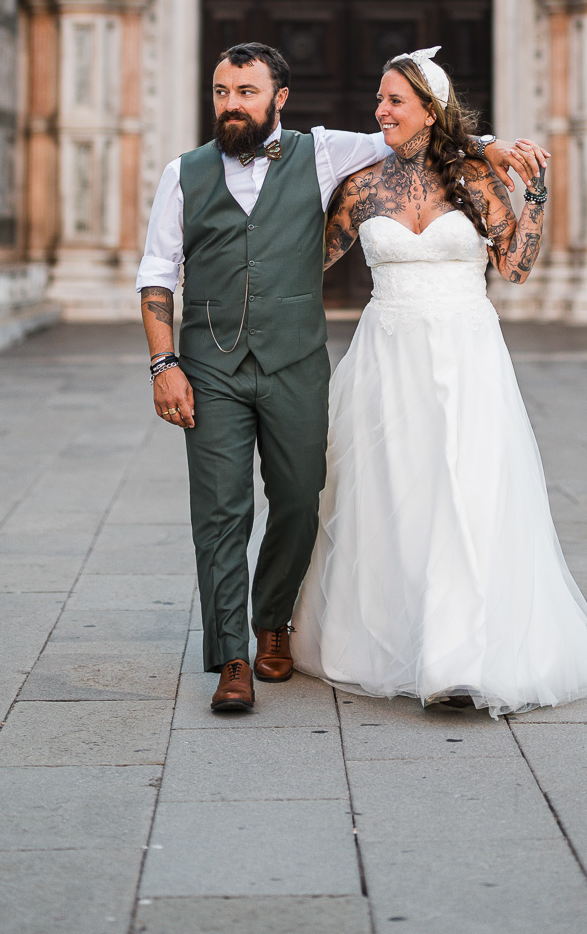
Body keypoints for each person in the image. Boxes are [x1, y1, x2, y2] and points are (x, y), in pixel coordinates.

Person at [136, 41, 543, 714]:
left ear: (279, 99)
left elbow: (413, 135)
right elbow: (156, 271)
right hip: (210, 363)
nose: (231, 103)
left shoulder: (325, 153)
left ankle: (275, 621)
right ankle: (232, 656)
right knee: (220, 510)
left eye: (245, 91)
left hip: (301, 361)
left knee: (300, 499)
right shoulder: (183, 174)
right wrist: (163, 363)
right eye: (221, 91)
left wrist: (489, 149)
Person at [291, 47, 587, 716]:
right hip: (387, 356)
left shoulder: (475, 181)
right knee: (394, 493)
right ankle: (399, 639)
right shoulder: (363, 187)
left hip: (467, 354)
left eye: (393, 100)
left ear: (428, 112)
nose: (379, 110)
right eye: (379, 99)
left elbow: (516, 268)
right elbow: (309, 265)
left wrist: (538, 196)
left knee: (465, 491)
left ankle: (460, 657)